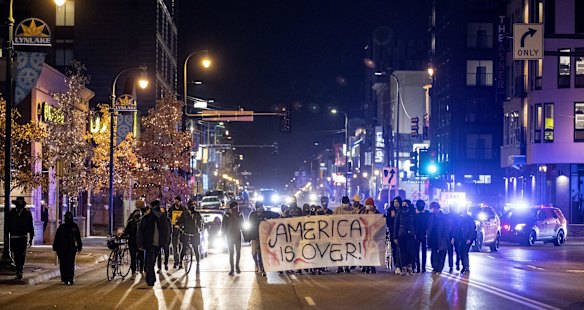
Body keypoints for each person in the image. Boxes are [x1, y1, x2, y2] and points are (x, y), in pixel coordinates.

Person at [137, 200, 170, 287]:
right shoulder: (163, 217)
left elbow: (140, 231)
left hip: (151, 243)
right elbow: (167, 230)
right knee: (151, 261)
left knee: (150, 262)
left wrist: (140, 243)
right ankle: (151, 279)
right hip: (156, 243)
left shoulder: (148, 218)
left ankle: (151, 279)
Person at [6, 196, 34, 279]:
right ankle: (18, 269)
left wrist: (31, 238)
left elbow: (30, 226)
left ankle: (19, 270)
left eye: (21, 204)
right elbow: (8, 225)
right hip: (14, 236)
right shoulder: (11, 213)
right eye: (18, 204)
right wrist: (7, 236)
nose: (19, 205)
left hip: (22, 237)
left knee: (21, 254)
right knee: (15, 254)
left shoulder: (27, 213)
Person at [53, 212, 82, 285]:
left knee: (69, 263)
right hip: (62, 248)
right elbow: (57, 238)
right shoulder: (62, 227)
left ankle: (70, 278)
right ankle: (65, 278)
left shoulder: (74, 227)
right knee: (64, 263)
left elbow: (77, 237)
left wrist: (79, 246)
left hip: (71, 248)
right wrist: (55, 247)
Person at [176, 201, 203, 271]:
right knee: (184, 247)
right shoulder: (184, 214)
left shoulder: (197, 214)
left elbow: (201, 222)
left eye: (193, 205)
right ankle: (180, 262)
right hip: (186, 232)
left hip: (195, 233)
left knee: (196, 248)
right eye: (191, 205)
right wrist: (178, 225)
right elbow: (179, 221)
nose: (192, 207)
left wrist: (200, 227)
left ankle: (198, 262)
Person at [394, 199, 417, 276]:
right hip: (401, 234)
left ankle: (410, 267)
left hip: (410, 234)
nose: (404, 205)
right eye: (403, 204)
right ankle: (403, 268)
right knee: (402, 251)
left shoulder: (412, 212)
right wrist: (395, 237)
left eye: (406, 204)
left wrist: (415, 234)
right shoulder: (399, 212)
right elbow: (396, 225)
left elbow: (416, 224)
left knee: (410, 251)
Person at [222, 201, 244, 276]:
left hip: (238, 236)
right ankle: (232, 269)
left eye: (237, 207)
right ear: (231, 208)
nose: (237, 209)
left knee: (238, 252)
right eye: (235, 207)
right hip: (229, 237)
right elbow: (223, 226)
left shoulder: (240, 214)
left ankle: (237, 266)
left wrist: (246, 235)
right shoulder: (227, 215)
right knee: (231, 253)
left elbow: (243, 225)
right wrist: (222, 235)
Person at [453, 205, 476, 275]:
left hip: (467, 239)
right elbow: (456, 229)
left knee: (465, 253)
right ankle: (463, 266)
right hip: (459, 238)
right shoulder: (459, 219)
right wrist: (453, 237)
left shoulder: (470, 219)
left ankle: (466, 267)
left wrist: (469, 238)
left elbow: (472, 230)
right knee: (460, 253)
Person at [427, 202, 449, 275]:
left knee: (441, 253)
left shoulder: (443, 217)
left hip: (442, 237)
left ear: (438, 208)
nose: (434, 209)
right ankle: (434, 267)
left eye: (435, 208)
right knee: (434, 253)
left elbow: (446, 228)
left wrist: (447, 237)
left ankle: (439, 269)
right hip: (433, 237)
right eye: (433, 208)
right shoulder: (430, 216)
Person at [246, 201, 268, 276]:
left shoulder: (265, 214)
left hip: (263, 238)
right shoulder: (252, 215)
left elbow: (276, 215)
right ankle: (256, 264)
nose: (261, 208)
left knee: (261, 254)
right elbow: (250, 226)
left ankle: (262, 269)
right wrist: (248, 237)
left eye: (262, 206)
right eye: (259, 207)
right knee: (254, 253)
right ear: (257, 208)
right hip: (254, 237)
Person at [361, 197, 381, 274]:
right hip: (365, 235)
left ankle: (372, 266)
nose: (366, 206)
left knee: (373, 251)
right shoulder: (363, 212)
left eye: (367, 205)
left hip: (374, 236)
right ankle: (366, 266)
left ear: (371, 205)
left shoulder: (377, 214)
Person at [124, 206, 143, 279]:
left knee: (141, 257)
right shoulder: (131, 222)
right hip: (132, 242)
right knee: (133, 258)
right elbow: (126, 231)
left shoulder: (142, 222)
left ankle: (141, 270)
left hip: (140, 242)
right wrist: (123, 235)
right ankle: (134, 272)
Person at [168, 196, 185, 269]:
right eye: (175, 201)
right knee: (174, 246)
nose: (176, 202)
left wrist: (181, 226)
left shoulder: (183, 210)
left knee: (181, 246)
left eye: (178, 201)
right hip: (173, 230)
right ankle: (176, 261)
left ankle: (180, 261)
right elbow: (168, 219)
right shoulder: (170, 210)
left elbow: (185, 220)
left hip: (181, 230)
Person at [386, 197, 401, 274]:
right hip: (393, 233)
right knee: (395, 249)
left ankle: (401, 264)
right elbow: (388, 222)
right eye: (394, 201)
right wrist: (392, 218)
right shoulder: (390, 210)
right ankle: (396, 265)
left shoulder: (402, 210)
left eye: (397, 201)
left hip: (401, 233)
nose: (395, 203)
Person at [414, 200, 429, 273]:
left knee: (423, 252)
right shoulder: (414, 212)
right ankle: (418, 266)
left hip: (423, 234)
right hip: (416, 234)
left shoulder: (426, 213)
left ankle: (423, 267)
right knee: (416, 251)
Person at [157, 206, 172, 272]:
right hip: (159, 239)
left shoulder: (168, 220)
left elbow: (170, 230)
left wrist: (169, 238)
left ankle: (165, 263)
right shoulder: (158, 219)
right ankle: (159, 267)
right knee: (158, 254)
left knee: (166, 253)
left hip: (166, 239)